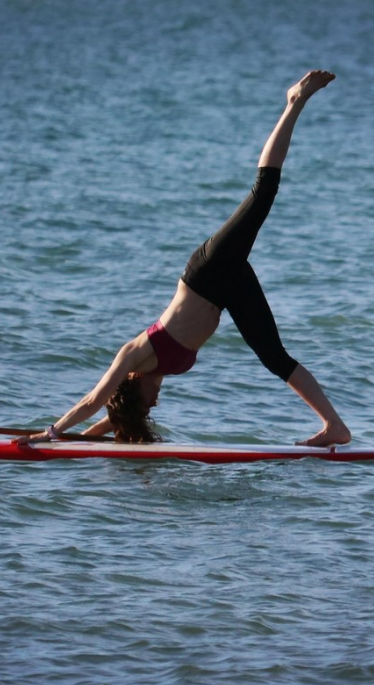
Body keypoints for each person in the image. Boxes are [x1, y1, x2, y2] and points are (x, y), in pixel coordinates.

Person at [20, 70, 351, 448]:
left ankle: (295, 102)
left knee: (263, 193)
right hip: (226, 292)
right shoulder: (149, 379)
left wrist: (51, 435)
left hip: (207, 273)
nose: (155, 404)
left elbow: (93, 401)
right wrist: (82, 443)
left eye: (146, 406)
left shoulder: (133, 356)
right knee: (274, 357)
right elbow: (118, 416)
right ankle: (335, 428)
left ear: (132, 392)